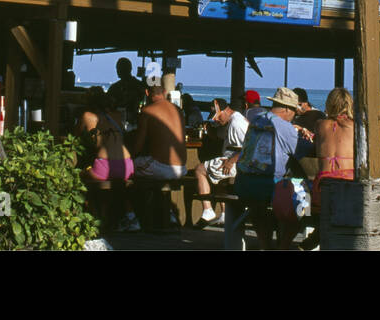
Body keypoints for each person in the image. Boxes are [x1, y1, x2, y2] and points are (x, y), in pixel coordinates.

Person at [229, 87, 314, 250]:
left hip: (243, 184)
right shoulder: (285, 127)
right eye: (294, 111)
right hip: (268, 186)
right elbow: (303, 150)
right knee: (305, 200)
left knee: (258, 210)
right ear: (287, 109)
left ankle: (265, 245)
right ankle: (284, 245)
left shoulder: (257, 120)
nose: (294, 115)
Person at [76, 86, 138, 231]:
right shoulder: (116, 116)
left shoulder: (87, 116)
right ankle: (130, 217)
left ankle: (93, 218)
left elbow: (76, 137)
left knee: (79, 175)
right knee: (120, 185)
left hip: (104, 166)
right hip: (127, 166)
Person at [193, 97, 248, 225]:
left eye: (218, 116)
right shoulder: (234, 119)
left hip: (235, 162)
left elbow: (249, 146)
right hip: (233, 159)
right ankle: (224, 214)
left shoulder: (237, 124)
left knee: (200, 169)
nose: (216, 119)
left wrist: (231, 161)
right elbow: (221, 136)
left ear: (225, 111)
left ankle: (208, 210)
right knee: (215, 175)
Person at [311, 86, 355, 218]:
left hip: (323, 188)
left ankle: (313, 234)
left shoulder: (320, 125)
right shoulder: (356, 126)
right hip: (350, 187)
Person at [131, 82, 187, 181]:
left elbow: (138, 145)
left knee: (127, 166)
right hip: (182, 168)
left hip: (161, 167)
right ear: (164, 92)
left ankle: (139, 196)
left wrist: (129, 155)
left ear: (147, 92)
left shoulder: (147, 111)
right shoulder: (178, 110)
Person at [106, 58, 146, 122]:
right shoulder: (139, 85)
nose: (118, 71)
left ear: (128, 69)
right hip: (131, 119)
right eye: (118, 68)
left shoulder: (115, 87)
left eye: (119, 68)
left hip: (126, 120)